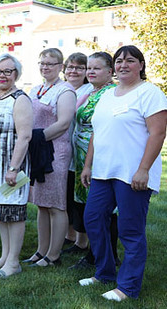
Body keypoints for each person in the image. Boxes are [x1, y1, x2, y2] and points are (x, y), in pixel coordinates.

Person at [80, 45, 167, 302]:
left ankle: (127, 287)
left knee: (131, 230)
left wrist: (143, 170)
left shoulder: (150, 93)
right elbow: (98, 130)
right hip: (103, 172)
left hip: (132, 174)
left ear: (141, 64)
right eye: (119, 61)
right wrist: (88, 165)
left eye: (130, 61)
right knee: (93, 218)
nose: (123, 65)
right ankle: (105, 272)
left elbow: (158, 133)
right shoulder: (108, 95)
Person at [0, 54, 32, 278]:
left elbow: (25, 136)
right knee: (1, 211)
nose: (2, 76)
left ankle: (13, 263)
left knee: (14, 211)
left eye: (8, 71)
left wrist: (13, 168)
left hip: (12, 166)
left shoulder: (20, 99)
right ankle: (4, 256)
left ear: (16, 74)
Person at [23, 48, 75, 267]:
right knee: (41, 204)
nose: (45, 67)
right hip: (37, 151)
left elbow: (63, 123)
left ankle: (54, 255)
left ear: (60, 67)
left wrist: (37, 138)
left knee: (56, 204)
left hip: (56, 151)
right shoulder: (36, 89)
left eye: (50, 64)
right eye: (42, 63)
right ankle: (40, 250)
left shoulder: (65, 91)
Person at [69, 52, 119, 270]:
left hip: (98, 155)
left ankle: (105, 254)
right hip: (81, 156)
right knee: (88, 207)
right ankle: (93, 249)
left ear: (110, 72)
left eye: (96, 68)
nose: (90, 72)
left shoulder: (110, 93)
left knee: (103, 208)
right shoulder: (91, 91)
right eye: (89, 68)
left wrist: (88, 162)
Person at [62, 52, 92, 254]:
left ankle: (83, 240)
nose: (74, 71)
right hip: (63, 152)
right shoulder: (59, 88)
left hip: (82, 153)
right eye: (70, 67)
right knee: (65, 196)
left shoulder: (90, 90)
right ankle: (69, 234)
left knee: (81, 197)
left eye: (79, 68)